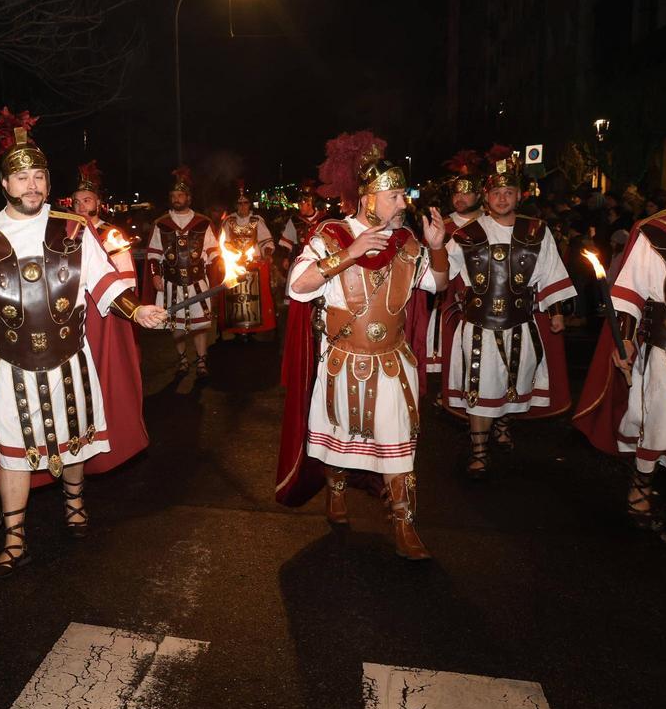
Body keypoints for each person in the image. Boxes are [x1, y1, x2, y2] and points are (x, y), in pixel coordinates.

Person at [0, 108, 166, 577]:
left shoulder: (73, 228)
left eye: (39, 177)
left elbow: (103, 283)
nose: (32, 186)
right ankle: (14, 540)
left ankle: (74, 504)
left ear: (48, 182)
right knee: (12, 450)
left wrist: (138, 310)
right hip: (9, 364)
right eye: (22, 178)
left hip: (70, 359)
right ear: (4, 184)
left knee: (74, 440)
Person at [276, 132, 447, 559]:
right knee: (338, 434)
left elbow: (437, 284)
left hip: (392, 361)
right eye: (395, 196)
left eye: (403, 195)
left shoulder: (407, 242)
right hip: (342, 359)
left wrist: (438, 248)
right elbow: (298, 287)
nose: (404, 203)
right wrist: (350, 253)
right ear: (369, 199)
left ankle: (404, 524)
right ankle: (335, 492)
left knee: (399, 441)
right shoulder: (331, 235)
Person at [443, 147, 576, 478]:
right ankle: (479, 451)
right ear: (486, 198)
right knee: (481, 385)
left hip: (521, 323)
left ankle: (502, 424)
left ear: (519, 195)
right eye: (496, 193)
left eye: (508, 192)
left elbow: (550, 273)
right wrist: (433, 246)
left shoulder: (536, 230)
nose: (502, 198)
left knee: (511, 380)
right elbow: (440, 273)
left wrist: (556, 312)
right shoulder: (468, 233)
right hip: (479, 326)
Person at [574, 205, 666, 542]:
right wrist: (627, 340)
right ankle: (641, 485)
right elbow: (630, 292)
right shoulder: (655, 230)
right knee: (659, 421)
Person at [144, 166, 218, 377]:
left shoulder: (203, 223)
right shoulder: (161, 224)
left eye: (180, 195)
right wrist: (155, 274)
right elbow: (153, 254)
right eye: (173, 196)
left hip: (197, 282)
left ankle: (201, 360)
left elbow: (213, 250)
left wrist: (221, 265)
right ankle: (183, 360)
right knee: (176, 325)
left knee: (200, 325)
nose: (176, 199)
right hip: (171, 283)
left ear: (189, 198)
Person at [424, 150, 485, 376]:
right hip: (450, 297)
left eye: (466, 193)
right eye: (456, 193)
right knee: (451, 349)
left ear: (478, 195)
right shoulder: (444, 226)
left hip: (485, 297)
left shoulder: (491, 223)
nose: (459, 198)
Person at [219, 181, 276, 339]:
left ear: (250, 204)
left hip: (254, 265)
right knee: (235, 297)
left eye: (245, 203)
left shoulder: (256, 220)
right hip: (235, 265)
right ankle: (237, 328)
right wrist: (232, 254)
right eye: (240, 203)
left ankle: (254, 328)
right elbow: (224, 243)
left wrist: (268, 254)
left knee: (254, 297)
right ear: (236, 205)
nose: (242, 206)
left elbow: (266, 241)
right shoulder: (229, 221)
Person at [71, 160, 135, 283]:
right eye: (77, 202)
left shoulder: (112, 234)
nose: (81, 207)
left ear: (98, 203)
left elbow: (127, 276)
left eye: (87, 200)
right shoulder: (69, 233)